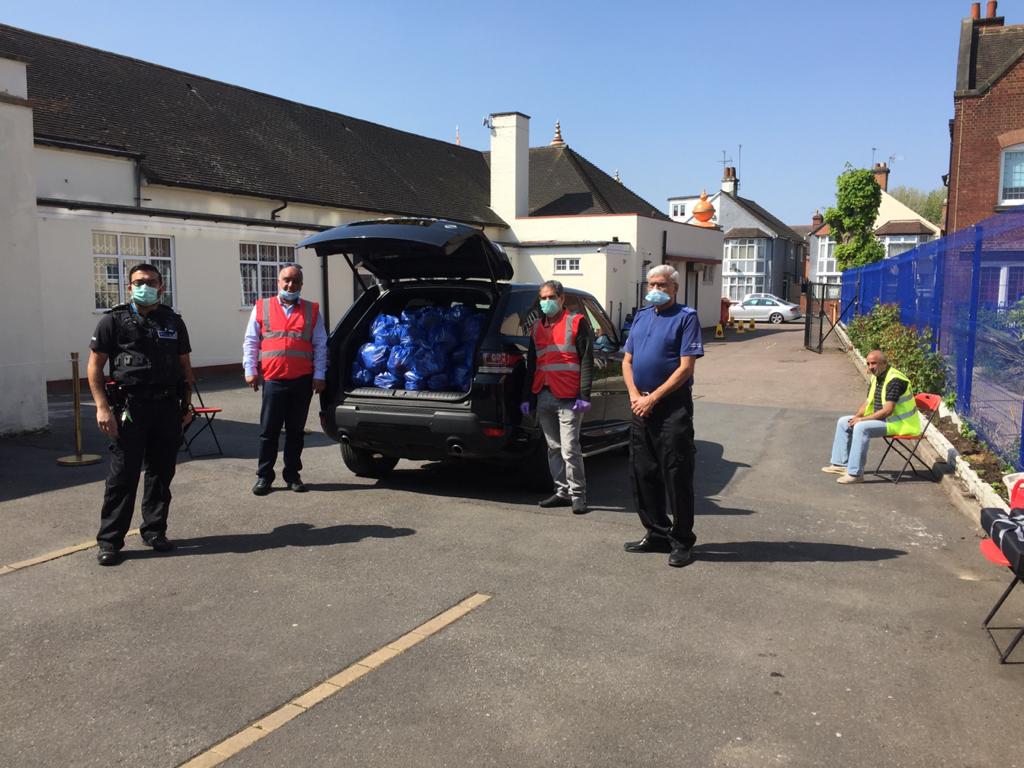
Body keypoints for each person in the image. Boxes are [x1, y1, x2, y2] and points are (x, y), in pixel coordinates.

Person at [87, 263, 194, 566]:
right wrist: (102, 407)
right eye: (138, 282)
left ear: (161, 287)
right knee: (123, 476)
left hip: (166, 407)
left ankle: (154, 530)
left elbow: (185, 366)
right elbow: (94, 366)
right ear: (129, 287)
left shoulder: (173, 321)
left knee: (162, 474)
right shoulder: (113, 320)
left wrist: (187, 406)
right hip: (129, 409)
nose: (143, 286)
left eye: (150, 282)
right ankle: (110, 541)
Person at [622, 265, 704, 568]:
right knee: (643, 471)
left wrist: (654, 398)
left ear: (674, 288)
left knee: (676, 472)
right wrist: (635, 396)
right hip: (639, 402)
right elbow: (627, 361)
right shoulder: (642, 317)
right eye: (651, 284)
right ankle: (656, 531)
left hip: (671, 406)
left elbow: (685, 368)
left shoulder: (686, 318)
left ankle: (682, 540)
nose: (655, 290)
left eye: (662, 285)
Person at [243, 264, 327, 495]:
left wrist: (320, 375)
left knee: (295, 432)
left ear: (301, 284)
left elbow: (320, 344)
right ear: (278, 281)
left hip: (302, 381)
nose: (290, 285)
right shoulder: (263, 307)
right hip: (274, 380)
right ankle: (264, 477)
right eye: (286, 280)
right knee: (268, 432)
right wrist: (250, 369)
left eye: (296, 281)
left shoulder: (311, 310)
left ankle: (292, 475)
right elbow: (251, 341)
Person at [520, 281, 595, 515]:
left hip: (569, 397)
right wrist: (527, 397)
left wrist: (584, 394)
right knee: (553, 447)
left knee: (570, 448)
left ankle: (578, 495)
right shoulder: (536, 328)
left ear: (562, 299)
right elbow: (532, 364)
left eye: (551, 297)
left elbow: (586, 359)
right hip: (544, 394)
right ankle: (562, 491)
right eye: (542, 298)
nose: (546, 302)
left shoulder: (576, 322)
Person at [823, 349, 920, 484]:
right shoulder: (876, 377)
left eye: (873, 363)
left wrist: (861, 420)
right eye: (868, 364)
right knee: (844, 422)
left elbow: (888, 411)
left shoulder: (895, 380)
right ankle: (840, 464)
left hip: (900, 424)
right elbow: (867, 403)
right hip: (884, 420)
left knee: (861, 428)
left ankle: (856, 474)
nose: (870, 367)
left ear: (884, 363)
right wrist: (855, 418)